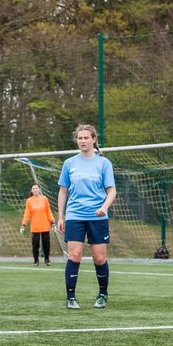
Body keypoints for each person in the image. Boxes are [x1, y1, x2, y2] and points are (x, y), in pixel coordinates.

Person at [57, 124, 116, 310]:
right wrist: (61, 216)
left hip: (97, 217)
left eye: (86, 138)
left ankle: (102, 294)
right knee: (74, 256)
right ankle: (71, 297)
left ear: (93, 139)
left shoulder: (104, 163)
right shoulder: (69, 163)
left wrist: (104, 208)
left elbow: (112, 190)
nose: (82, 141)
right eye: (79, 138)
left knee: (99, 258)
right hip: (74, 215)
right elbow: (63, 191)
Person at [21, 183, 56, 266]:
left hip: (45, 226)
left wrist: (53, 222)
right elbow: (27, 214)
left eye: (36, 188)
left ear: (39, 189)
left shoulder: (44, 199)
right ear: (31, 190)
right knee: (35, 244)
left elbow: (48, 212)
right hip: (35, 226)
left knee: (46, 244)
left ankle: (47, 259)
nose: (35, 190)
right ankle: (36, 260)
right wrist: (23, 224)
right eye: (33, 188)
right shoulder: (29, 200)